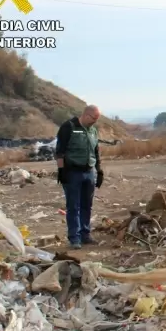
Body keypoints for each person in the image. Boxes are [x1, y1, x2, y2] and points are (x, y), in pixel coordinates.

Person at [55, 105, 104, 249]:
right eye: (93, 118)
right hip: (72, 172)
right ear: (86, 114)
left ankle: (85, 234)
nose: (95, 122)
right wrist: (61, 170)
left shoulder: (93, 130)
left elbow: (96, 151)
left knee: (86, 205)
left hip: (89, 172)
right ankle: (74, 238)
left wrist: (99, 171)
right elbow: (59, 151)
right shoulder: (69, 127)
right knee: (73, 206)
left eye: (97, 119)